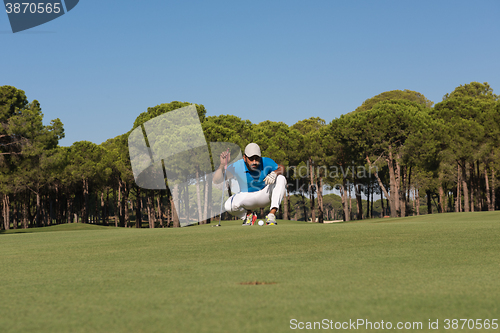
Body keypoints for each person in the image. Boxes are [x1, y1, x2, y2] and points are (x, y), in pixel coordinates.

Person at [213, 143, 286, 225]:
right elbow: (217, 180)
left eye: (257, 159)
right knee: (228, 206)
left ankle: (271, 214)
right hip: (246, 197)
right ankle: (249, 216)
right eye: (251, 159)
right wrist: (222, 165)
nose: (254, 162)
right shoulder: (237, 165)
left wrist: (275, 172)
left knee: (281, 178)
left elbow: (282, 168)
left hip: (264, 195)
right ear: (244, 158)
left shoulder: (266, 161)